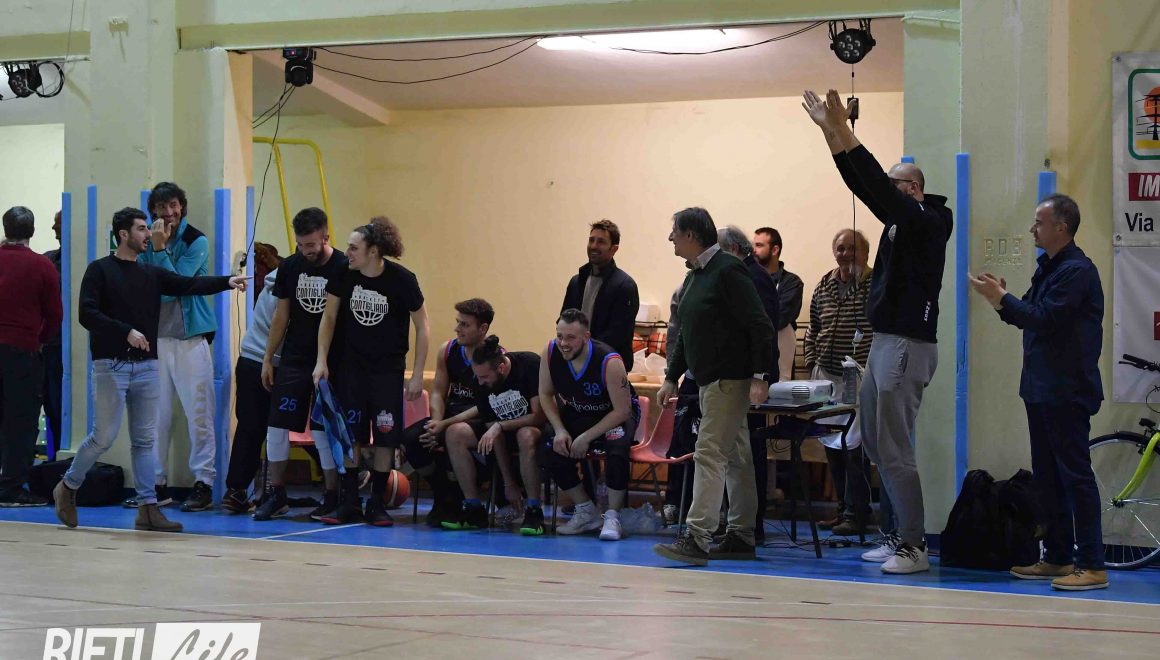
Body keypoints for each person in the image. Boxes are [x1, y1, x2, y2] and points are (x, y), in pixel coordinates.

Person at [803, 89, 952, 574]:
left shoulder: (932, 220)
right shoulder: (898, 220)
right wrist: (832, 135)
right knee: (875, 443)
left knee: (895, 447)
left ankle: (913, 545)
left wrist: (844, 131)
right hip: (886, 343)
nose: (885, 190)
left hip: (908, 343)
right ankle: (897, 534)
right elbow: (863, 183)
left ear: (913, 188)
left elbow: (877, 188)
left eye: (894, 184)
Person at [52, 207, 246, 531]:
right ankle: (68, 485)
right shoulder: (99, 270)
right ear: (123, 234)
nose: (150, 234)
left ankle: (148, 508)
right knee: (103, 436)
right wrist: (125, 331)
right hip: (110, 365)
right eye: (142, 229)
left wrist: (228, 281)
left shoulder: (150, 273)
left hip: (146, 367)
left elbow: (187, 284)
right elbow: (86, 314)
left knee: (144, 441)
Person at [969, 193, 1108, 591]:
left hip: (1066, 391)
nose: (1032, 229)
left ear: (1061, 227)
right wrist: (1000, 300)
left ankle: (1092, 565)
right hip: (1041, 389)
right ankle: (1059, 557)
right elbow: (1025, 315)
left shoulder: (1077, 271)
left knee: (1076, 478)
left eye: (1039, 222)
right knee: (1049, 478)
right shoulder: (1050, 267)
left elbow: (1044, 318)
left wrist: (1002, 299)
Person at [653, 208, 776, 566]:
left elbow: (759, 324)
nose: (671, 238)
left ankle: (697, 537)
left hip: (729, 379)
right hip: (709, 381)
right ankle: (741, 535)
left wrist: (761, 376)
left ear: (691, 235)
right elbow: (686, 334)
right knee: (736, 458)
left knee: (708, 453)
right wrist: (670, 377)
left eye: (675, 232)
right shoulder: (695, 275)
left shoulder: (727, 270)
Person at [314, 217, 429, 526]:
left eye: (354, 248)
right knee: (351, 434)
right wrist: (321, 360)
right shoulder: (343, 273)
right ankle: (349, 501)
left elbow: (422, 327)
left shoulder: (402, 279)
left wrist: (417, 374)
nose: (347, 252)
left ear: (374, 251)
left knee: (385, 436)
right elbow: (328, 318)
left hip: (387, 371)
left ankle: (377, 503)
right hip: (350, 369)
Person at [254, 207, 349, 522]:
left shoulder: (343, 266)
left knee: (323, 429)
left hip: (331, 358)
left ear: (326, 237)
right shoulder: (290, 267)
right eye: (300, 244)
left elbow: (336, 318)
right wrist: (269, 358)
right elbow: (281, 315)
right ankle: (277, 493)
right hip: (294, 356)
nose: (306, 250)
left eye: (311, 244)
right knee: (276, 424)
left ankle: (332, 494)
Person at [132, 182, 217, 511]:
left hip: (190, 339)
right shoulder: (144, 240)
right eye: (161, 207)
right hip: (154, 340)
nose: (168, 213)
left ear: (182, 206)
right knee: (155, 415)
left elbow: (173, 287)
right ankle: (155, 484)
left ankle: (204, 482)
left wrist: (160, 248)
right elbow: (140, 284)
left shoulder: (196, 241)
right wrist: (153, 245)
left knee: (199, 413)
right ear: (152, 210)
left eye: (174, 205)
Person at [539, 309, 638, 541]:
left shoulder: (609, 360)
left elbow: (622, 411)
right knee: (549, 444)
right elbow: (545, 394)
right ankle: (585, 510)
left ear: (586, 337)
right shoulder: (550, 352)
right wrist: (560, 430)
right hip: (579, 412)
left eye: (570, 338)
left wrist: (586, 437)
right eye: (560, 336)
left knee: (617, 448)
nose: (563, 343)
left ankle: (613, 515)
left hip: (613, 415)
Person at [804, 228, 874, 536]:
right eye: (841, 248)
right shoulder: (825, 283)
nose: (845, 254)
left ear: (866, 253)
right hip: (826, 375)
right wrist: (811, 362)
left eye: (852, 248)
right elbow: (813, 327)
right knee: (831, 443)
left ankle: (857, 513)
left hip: (856, 376)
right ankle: (842, 509)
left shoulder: (874, 283)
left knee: (853, 446)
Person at [402, 298, 493, 527]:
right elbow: (438, 393)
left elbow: (486, 405)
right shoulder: (448, 350)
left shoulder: (495, 356)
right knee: (412, 438)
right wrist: (436, 422)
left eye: (464, 324)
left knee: (455, 434)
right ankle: (443, 492)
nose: (457, 328)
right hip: (449, 417)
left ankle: (464, 499)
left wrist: (444, 425)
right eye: (457, 322)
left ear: (482, 329)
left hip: (479, 421)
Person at [442, 337, 545, 534]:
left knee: (525, 435)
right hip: (500, 432)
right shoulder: (479, 381)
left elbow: (539, 416)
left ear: (501, 368)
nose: (480, 382)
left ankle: (534, 510)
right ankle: (473, 507)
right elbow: (494, 433)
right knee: (455, 433)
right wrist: (509, 483)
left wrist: (500, 425)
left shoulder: (529, 364)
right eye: (477, 377)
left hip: (532, 428)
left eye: (484, 377)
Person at [717, 225, 780, 542]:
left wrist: (760, 376)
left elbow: (763, 330)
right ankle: (734, 520)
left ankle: (750, 525)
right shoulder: (739, 275)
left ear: (732, 249)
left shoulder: (755, 277)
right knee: (733, 451)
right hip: (735, 376)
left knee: (748, 453)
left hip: (751, 378)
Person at [0, 206, 62, 506]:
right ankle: (11, 487)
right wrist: (40, 340)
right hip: (23, 351)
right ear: (33, 231)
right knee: (21, 420)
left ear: (5, 228)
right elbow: (54, 315)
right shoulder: (42, 266)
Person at [221, 262, 282, 514]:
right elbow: (282, 324)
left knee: (249, 428)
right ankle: (274, 492)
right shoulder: (292, 283)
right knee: (280, 429)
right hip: (272, 361)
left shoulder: (273, 280)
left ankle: (236, 491)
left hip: (250, 357)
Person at [560, 219, 640, 371]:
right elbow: (564, 320)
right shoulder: (576, 282)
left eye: (601, 242)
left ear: (614, 249)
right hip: (574, 363)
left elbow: (618, 333)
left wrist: (583, 348)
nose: (594, 246)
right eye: (591, 240)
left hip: (608, 366)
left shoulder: (625, 286)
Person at [753, 227, 803, 381]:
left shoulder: (792, 283)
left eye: (759, 245)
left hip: (780, 364)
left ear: (775, 250)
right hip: (752, 361)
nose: (753, 250)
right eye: (753, 245)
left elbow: (779, 318)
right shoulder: (747, 279)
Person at [41, 210, 64, 456]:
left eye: (58, 224)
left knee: (60, 406)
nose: (53, 228)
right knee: (51, 406)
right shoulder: (47, 261)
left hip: (67, 344)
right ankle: (54, 457)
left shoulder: (84, 264)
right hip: (49, 345)